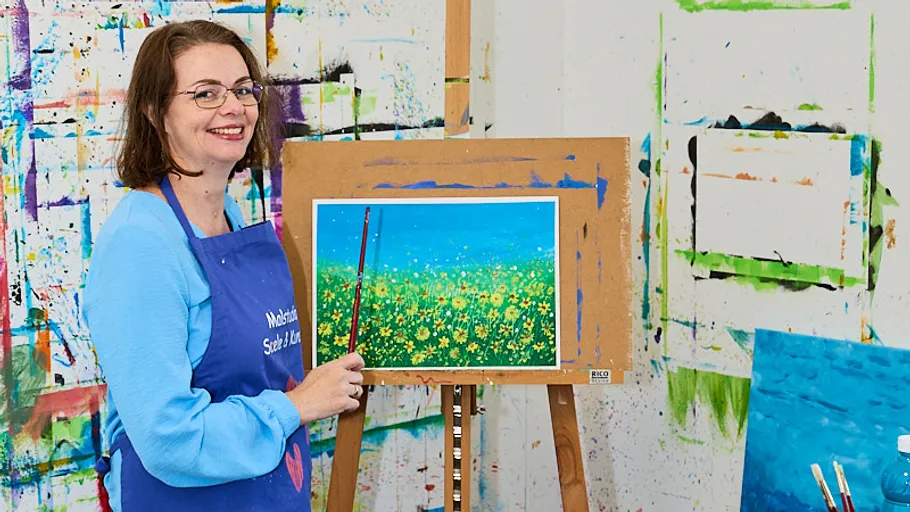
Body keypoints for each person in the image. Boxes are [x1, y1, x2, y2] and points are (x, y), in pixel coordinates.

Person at [83, 20, 365, 511]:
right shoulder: (141, 244)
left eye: (242, 89)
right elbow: (169, 439)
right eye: (205, 94)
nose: (233, 107)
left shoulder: (230, 217)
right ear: (155, 112)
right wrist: (296, 407)